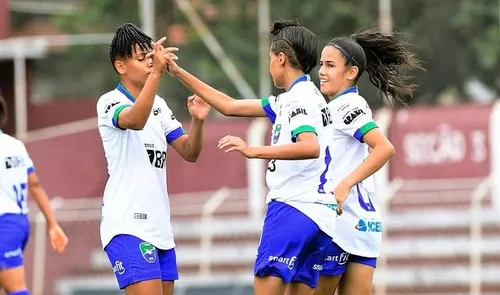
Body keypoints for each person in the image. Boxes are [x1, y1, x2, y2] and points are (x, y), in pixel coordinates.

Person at [163, 20, 338, 295]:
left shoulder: (297, 100)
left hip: (293, 208)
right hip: (320, 219)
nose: (270, 66)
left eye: (270, 58)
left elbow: (309, 146)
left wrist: (252, 151)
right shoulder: (303, 97)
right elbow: (229, 106)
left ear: (281, 58)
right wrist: (177, 72)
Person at [96, 23, 210, 295]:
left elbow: (190, 152)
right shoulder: (109, 101)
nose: (149, 62)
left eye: (151, 56)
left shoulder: (159, 105)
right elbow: (135, 120)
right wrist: (158, 72)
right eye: (141, 58)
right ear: (121, 66)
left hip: (160, 228)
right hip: (127, 226)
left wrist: (198, 121)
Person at [314, 30, 423, 295]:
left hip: (340, 221)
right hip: (364, 225)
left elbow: (384, 148)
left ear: (351, 72)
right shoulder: (332, 107)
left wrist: (345, 184)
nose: (321, 72)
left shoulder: (347, 105)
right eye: (321, 64)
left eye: (330, 65)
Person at [0, 95, 68, 295]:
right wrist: (53, 224)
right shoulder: (15, 145)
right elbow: (35, 185)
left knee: (16, 289)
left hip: (4, 225)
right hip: (18, 223)